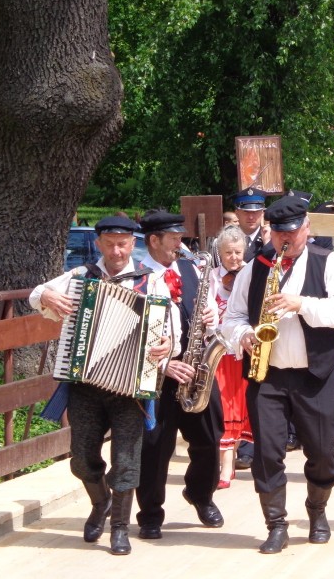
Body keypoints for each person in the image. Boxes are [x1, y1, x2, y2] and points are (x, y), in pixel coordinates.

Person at [29, 216, 178, 555]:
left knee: (127, 460)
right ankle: (101, 504)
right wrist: (48, 298)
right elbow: (35, 295)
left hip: (130, 388)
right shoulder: (81, 278)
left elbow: (173, 333)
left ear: (133, 244)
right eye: (109, 243)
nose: (116, 250)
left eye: (122, 243)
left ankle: (120, 530)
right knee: (81, 459)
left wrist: (168, 347)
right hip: (85, 383)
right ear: (98, 244)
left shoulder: (151, 283)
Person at [222, 195, 334, 553]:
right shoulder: (257, 267)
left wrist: (301, 304)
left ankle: (316, 511)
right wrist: (244, 336)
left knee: (322, 454)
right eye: (280, 234)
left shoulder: (327, 262)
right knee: (267, 453)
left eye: (293, 233)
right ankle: (276, 524)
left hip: (315, 375)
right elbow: (232, 317)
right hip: (267, 374)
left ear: (307, 229)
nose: (286, 240)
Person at [134, 210, 225, 541]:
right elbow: (125, 337)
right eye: (174, 239)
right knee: (156, 448)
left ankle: (201, 495)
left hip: (196, 369)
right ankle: (150, 514)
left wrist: (212, 313)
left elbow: (207, 315)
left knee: (210, 437)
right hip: (156, 376)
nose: (180, 244)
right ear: (154, 240)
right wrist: (164, 365)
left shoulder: (190, 269)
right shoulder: (135, 278)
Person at [210, 225, 252, 489]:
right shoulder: (211, 277)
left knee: (238, 408)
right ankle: (224, 466)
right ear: (220, 253)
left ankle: (229, 462)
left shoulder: (253, 273)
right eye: (228, 253)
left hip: (241, 352)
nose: (234, 258)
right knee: (222, 409)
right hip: (217, 352)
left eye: (237, 252)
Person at [232, 187, 269, 263]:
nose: (251, 217)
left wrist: (268, 245)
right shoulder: (226, 238)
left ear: (262, 213)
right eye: (246, 212)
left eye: (255, 212)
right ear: (237, 213)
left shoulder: (270, 239)